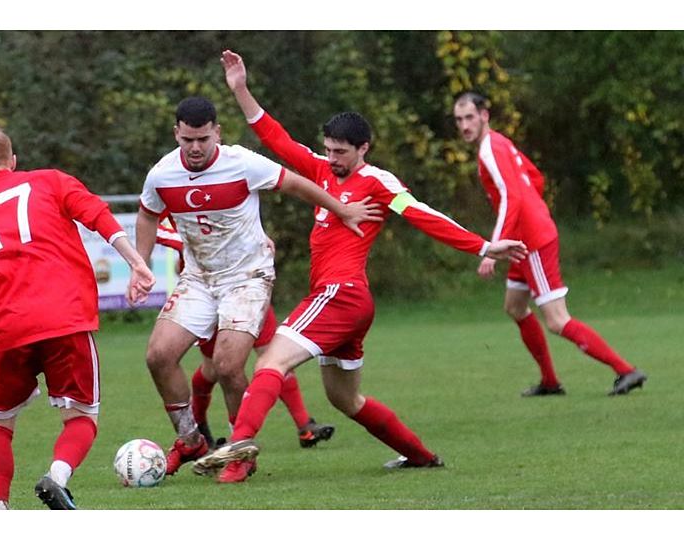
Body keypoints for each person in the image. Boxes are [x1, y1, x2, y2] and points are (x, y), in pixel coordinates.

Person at [193, 50, 529, 483]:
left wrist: (483, 246)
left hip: (340, 294)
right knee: (345, 400)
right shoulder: (320, 170)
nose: (332, 158)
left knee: (270, 362)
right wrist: (240, 89)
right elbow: (275, 137)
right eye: (329, 149)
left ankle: (237, 453)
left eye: (342, 151)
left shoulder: (377, 181)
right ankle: (421, 457)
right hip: (349, 304)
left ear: (363, 148)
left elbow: (423, 215)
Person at [136, 96, 378, 476]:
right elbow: (147, 215)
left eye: (203, 139)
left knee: (228, 365)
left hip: (247, 277)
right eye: (188, 140)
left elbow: (296, 184)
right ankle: (190, 438)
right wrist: (140, 264)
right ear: (176, 134)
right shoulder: (162, 174)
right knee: (158, 356)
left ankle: (239, 453)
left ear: (217, 132)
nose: (196, 148)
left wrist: (342, 209)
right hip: (198, 278)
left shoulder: (241, 163)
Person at [0, 126, 154, 510]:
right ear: (13, 160)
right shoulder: (51, 182)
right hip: (65, 319)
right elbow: (98, 216)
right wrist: (136, 262)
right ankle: (57, 477)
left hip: (6, 330)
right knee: (81, 417)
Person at [452, 92, 647, 397]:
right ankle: (550, 382)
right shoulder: (500, 143)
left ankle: (626, 370)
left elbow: (513, 197)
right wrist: (533, 214)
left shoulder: (491, 149)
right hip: (523, 239)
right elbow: (535, 178)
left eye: (469, 118)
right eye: (459, 120)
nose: (464, 125)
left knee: (557, 320)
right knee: (515, 306)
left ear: (484, 116)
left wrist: (493, 247)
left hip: (531, 241)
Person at [155, 218, 335, 449]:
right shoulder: (170, 198)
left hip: (249, 285)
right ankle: (199, 423)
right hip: (207, 291)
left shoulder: (229, 194)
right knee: (214, 368)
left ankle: (304, 426)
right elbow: (156, 225)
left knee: (273, 356)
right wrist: (199, 241)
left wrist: (256, 236)